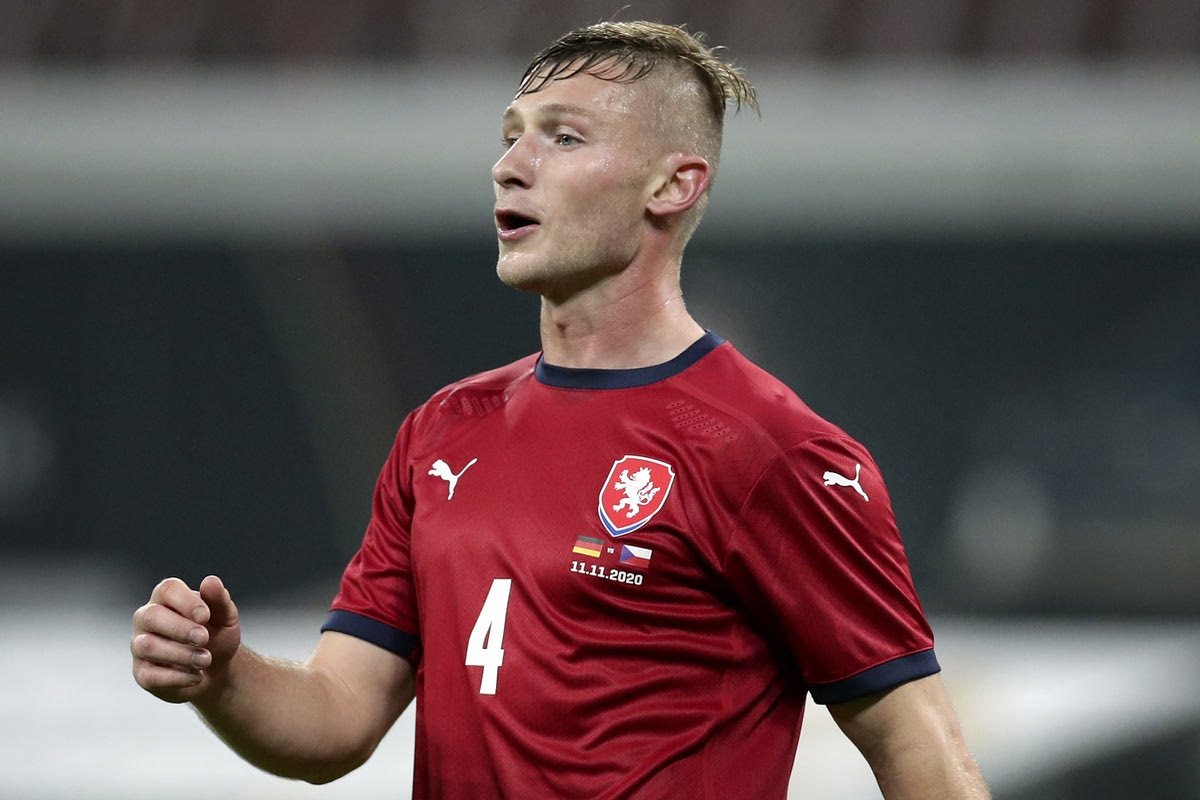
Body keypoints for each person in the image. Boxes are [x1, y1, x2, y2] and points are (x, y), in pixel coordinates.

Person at [131, 20, 991, 799]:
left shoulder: (772, 453)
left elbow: (916, 746)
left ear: (673, 185)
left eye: (564, 138)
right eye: (511, 136)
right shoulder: (443, 431)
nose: (510, 165)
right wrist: (223, 676)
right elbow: (334, 721)